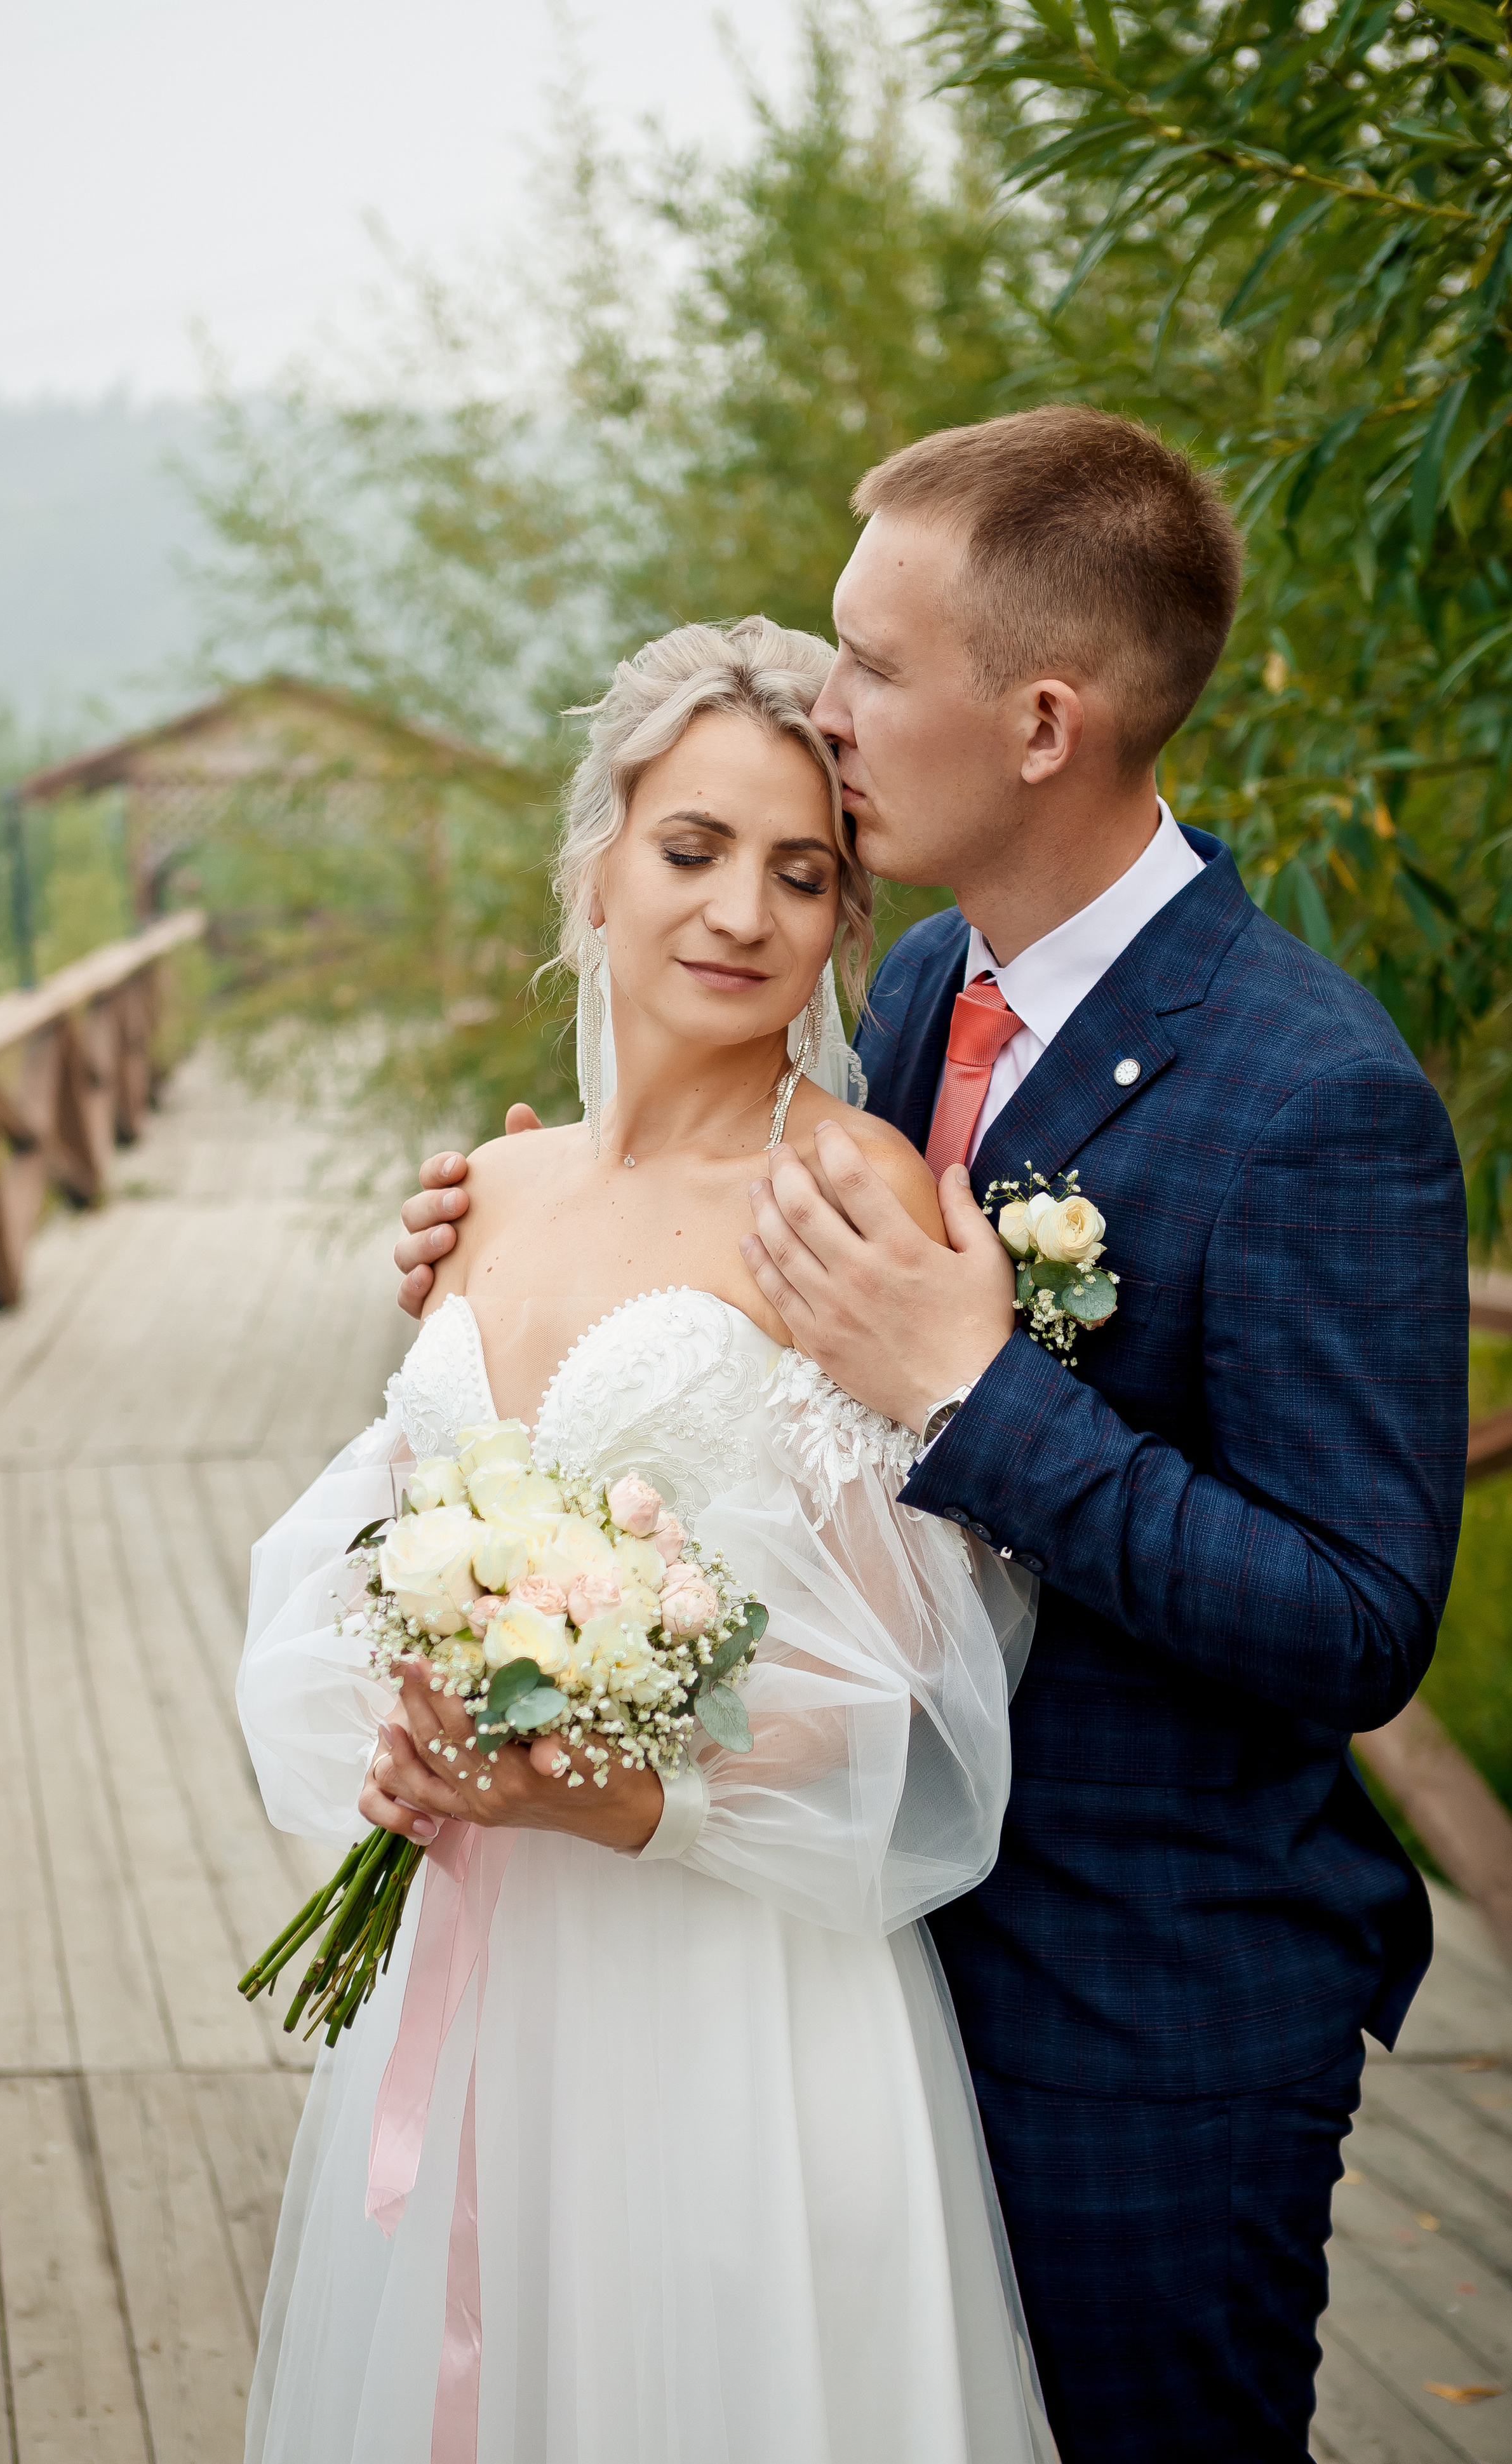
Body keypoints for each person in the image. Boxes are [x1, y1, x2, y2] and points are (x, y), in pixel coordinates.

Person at [395, 408, 1471, 2464]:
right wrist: (512, 1259)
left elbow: (1357, 1622)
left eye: (871, 664)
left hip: (1137, 2022)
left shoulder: (1315, 1097)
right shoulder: (912, 999)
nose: (828, 702)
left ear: (1044, 720)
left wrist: (982, 1398)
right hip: (842, 1971)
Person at [239, 617, 1056, 2464]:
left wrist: (619, 1781)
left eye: (802, 874)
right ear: (598, 859)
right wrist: (419, 1714)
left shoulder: (848, 1198)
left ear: (845, 920)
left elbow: (900, 1688)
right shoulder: (496, 1183)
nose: (742, 914)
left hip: (723, 1981)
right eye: (692, 850)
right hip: (488, 1956)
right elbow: (398, 1526)